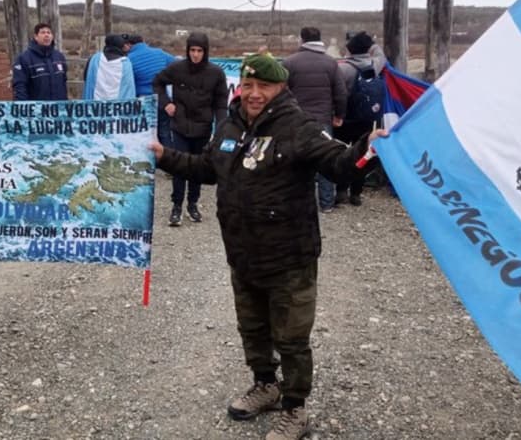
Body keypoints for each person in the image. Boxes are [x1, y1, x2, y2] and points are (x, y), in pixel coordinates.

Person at [150, 53, 387, 440]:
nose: (254, 93)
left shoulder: (299, 127)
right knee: (253, 328)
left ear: (281, 88)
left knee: (292, 338)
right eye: (248, 86)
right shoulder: (230, 126)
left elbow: (339, 164)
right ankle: (265, 384)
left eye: (264, 86)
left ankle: (295, 408)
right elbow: (206, 169)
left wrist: (367, 147)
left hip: (289, 257)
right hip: (242, 252)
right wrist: (164, 156)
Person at [152, 32, 227, 226]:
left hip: (203, 127)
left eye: (199, 51)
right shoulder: (177, 68)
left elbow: (220, 103)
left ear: (205, 51)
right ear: (188, 50)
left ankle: (193, 203)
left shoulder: (216, 73)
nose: (195, 54)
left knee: (198, 168)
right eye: (192, 50)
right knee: (180, 167)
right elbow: (157, 83)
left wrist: (221, 127)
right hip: (180, 126)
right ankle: (176, 205)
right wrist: (166, 103)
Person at [282, 27, 348, 213]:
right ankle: (326, 203)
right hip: (323, 119)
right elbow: (341, 93)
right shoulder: (331, 63)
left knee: (295, 160)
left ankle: (297, 202)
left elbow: (280, 93)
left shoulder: (289, 62)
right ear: (320, 40)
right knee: (325, 159)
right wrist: (339, 115)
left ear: (302, 40)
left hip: (296, 120)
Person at [334, 31, 388, 206]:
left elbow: (337, 93)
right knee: (363, 153)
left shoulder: (342, 68)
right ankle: (356, 193)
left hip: (344, 118)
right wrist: (372, 43)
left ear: (349, 49)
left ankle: (341, 191)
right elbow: (381, 54)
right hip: (366, 118)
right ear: (368, 48)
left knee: (341, 153)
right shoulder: (374, 65)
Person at [122, 33, 177, 148]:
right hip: (162, 99)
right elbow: (177, 64)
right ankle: (167, 161)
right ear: (143, 41)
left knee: (145, 134)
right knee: (164, 131)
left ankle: (148, 161)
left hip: (143, 101)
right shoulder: (159, 53)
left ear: (129, 45)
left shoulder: (128, 59)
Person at [11, 23, 68, 100]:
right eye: (43, 32)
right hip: (36, 108)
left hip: (58, 108)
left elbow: (63, 83)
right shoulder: (24, 59)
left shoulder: (59, 57)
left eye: (49, 32)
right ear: (36, 37)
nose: (46, 35)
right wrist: (24, 107)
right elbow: (20, 86)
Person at [82, 34, 136, 100]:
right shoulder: (125, 63)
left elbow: (86, 78)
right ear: (121, 46)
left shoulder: (95, 58)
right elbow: (128, 86)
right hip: (117, 106)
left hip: (95, 104)